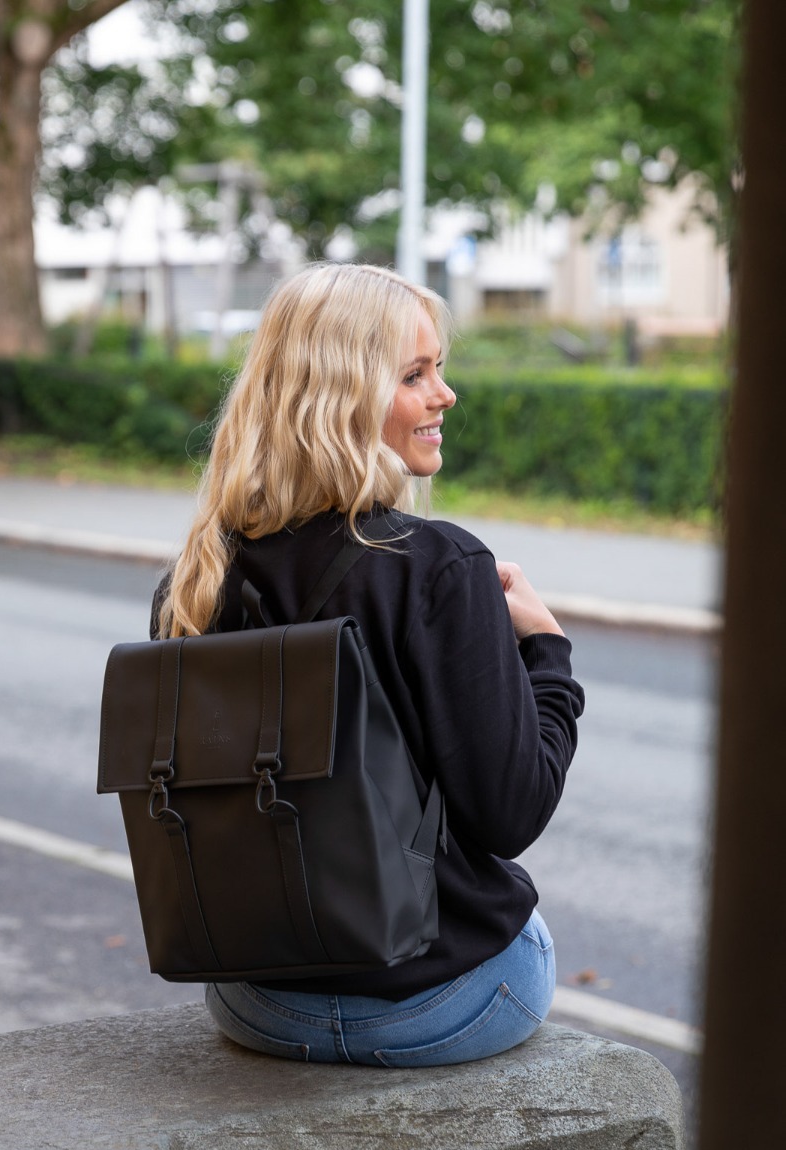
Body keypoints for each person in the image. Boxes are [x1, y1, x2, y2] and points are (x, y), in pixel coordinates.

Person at [152, 262, 585, 1067]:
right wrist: (546, 653)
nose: (444, 395)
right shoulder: (441, 567)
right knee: (525, 928)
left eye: (440, 371)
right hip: (436, 1005)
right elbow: (510, 815)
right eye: (415, 375)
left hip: (258, 998)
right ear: (342, 396)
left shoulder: (198, 579)